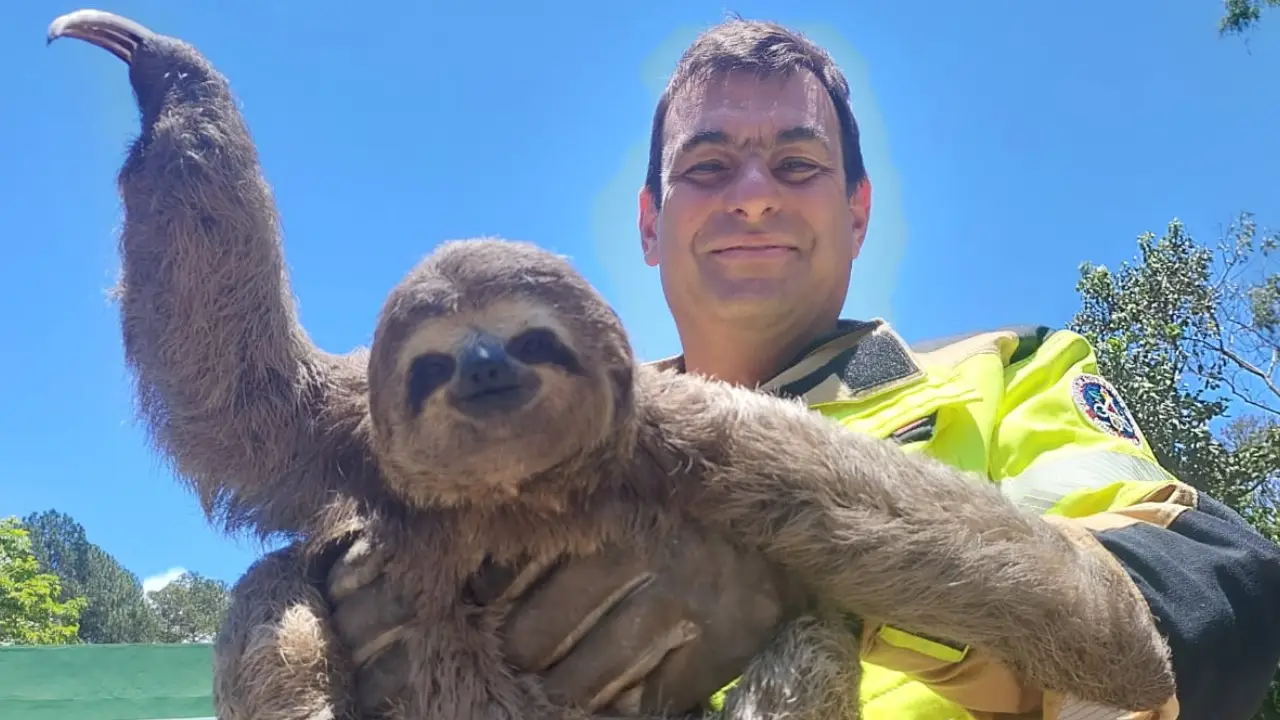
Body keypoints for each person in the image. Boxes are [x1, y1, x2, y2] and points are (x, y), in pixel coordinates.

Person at [323, 18, 1280, 720]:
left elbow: (1210, 592)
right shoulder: (512, 440)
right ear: (651, 225)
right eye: (706, 168)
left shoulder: (1003, 374)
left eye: (795, 164)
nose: (750, 199)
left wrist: (829, 578)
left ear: (856, 212)